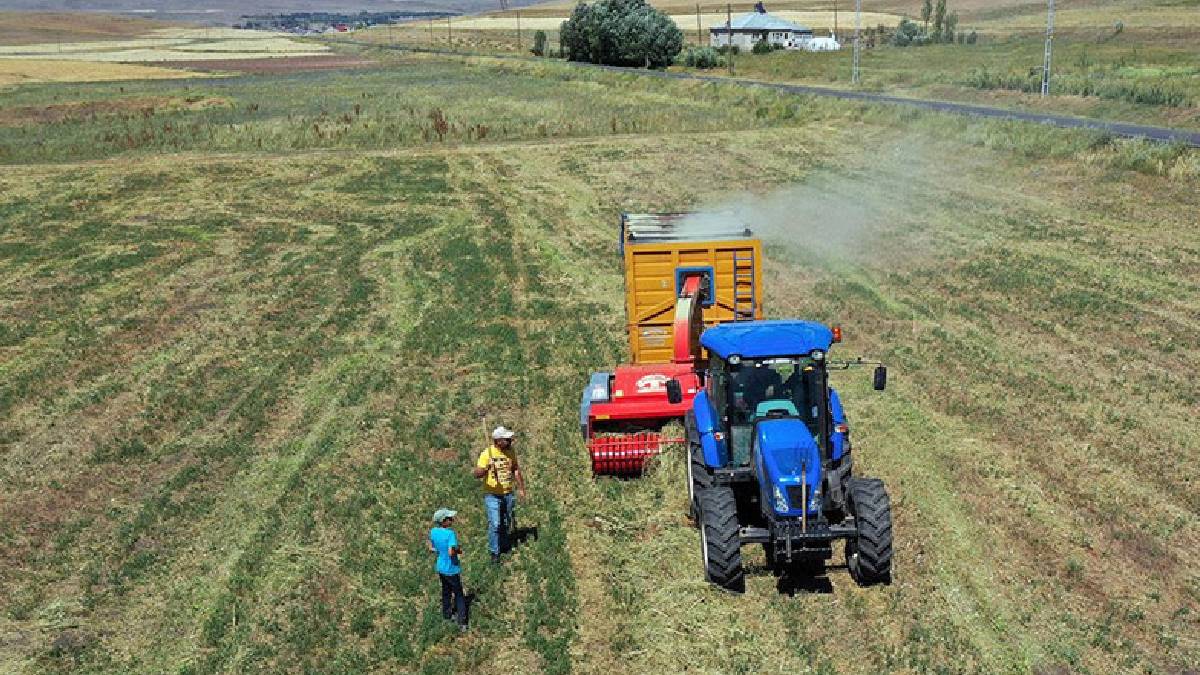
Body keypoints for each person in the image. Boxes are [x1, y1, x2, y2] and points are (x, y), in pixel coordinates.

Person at [472, 426, 527, 564]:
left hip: (508, 493)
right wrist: (486, 468)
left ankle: (504, 545)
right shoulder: (487, 454)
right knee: (495, 524)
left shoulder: (510, 452)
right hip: (492, 494)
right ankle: (494, 552)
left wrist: (521, 488)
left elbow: (515, 469)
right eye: (507, 439)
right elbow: (476, 474)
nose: (510, 441)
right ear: (498, 441)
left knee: (505, 521)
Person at [429, 508, 468, 631]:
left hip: (441, 567)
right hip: (451, 568)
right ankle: (462, 622)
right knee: (459, 594)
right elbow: (451, 552)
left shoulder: (433, 531)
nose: (452, 520)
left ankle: (447, 615)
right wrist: (458, 550)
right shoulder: (450, 534)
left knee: (445, 591)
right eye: (450, 518)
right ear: (444, 521)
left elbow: (432, 547)